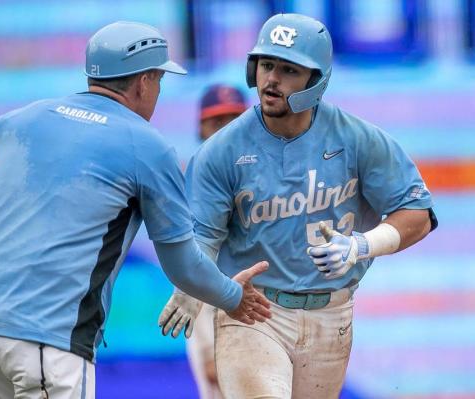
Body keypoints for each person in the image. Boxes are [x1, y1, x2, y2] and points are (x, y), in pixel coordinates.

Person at [0, 21, 272, 399]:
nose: (157, 92)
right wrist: (234, 297)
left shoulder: (18, 119)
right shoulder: (147, 145)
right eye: (159, 80)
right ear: (144, 81)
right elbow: (182, 264)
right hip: (47, 337)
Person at [158, 13, 438, 399]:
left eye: (289, 69)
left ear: (316, 80)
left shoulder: (357, 139)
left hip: (332, 314)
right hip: (254, 309)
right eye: (266, 65)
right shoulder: (220, 151)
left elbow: (417, 213)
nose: (272, 79)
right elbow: (203, 235)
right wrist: (189, 285)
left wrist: (361, 245)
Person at [182, 84, 248, 399]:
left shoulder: (274, 175)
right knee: (220, 381)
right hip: (212, 305)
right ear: (200, 127)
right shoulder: (192, 186)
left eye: (235, 119)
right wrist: (209, 347)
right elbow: (192, 268)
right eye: (217, 121)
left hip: (274, 306)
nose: (227, 130)